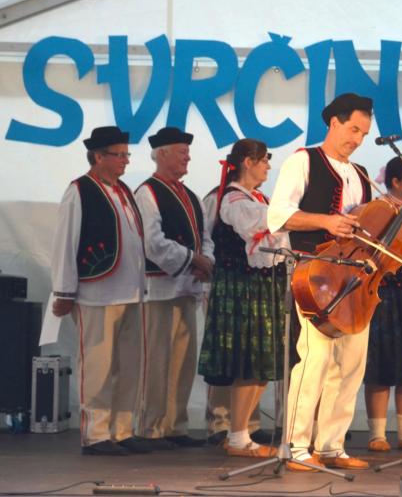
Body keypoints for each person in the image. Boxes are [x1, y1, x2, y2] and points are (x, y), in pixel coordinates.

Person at [267, 92, 375, 471]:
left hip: (354, 279)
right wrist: (326, 221)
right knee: (314, 358)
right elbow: (279, 215)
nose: (357, 139)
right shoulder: (303, 160)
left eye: (364, 134)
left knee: (350, 363)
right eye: (353, 129)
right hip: (314, 273)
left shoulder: (361, 173)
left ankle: (331, 445)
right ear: (333, 123)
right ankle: (297, 445)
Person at [49, 126, 150, 456]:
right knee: (98, 365)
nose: (125, 161)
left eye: (126, 154)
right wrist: (64, 291)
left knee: (128, 366)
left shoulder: (123, 191)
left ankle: (122, 429)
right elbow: (66, 241)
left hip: (130, 293)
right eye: (118, 155)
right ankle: (96, 434)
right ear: (97, 156)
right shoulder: (80, 190)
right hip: (97, 293)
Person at [198, 138, 287, 458]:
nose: (268, 166)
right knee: (247, 363)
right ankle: (236, 435)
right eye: (264, 160)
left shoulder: (257, 199)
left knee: (259, 365)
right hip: (241, 288)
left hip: (258, 287)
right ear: (247, 162)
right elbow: (260, 226)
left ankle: (242, 433)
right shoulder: (233, 200)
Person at [133, 127, 213, 450]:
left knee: (183, 360)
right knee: (157, 360)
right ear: (162, 153)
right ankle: (151, 427)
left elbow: (205, 237)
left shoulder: (191, 196)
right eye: (182, 152)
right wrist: (193, 258)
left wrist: (206, 261)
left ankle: (175, 425)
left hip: (186, 287)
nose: (188, 157)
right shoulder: (147, 193)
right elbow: (152, 243)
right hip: (158, 288)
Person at [362, 156, 402, 454]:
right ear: (395, 182)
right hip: (383, 291)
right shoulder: (379, 209)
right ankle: (377, 433)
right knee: (380, 364)